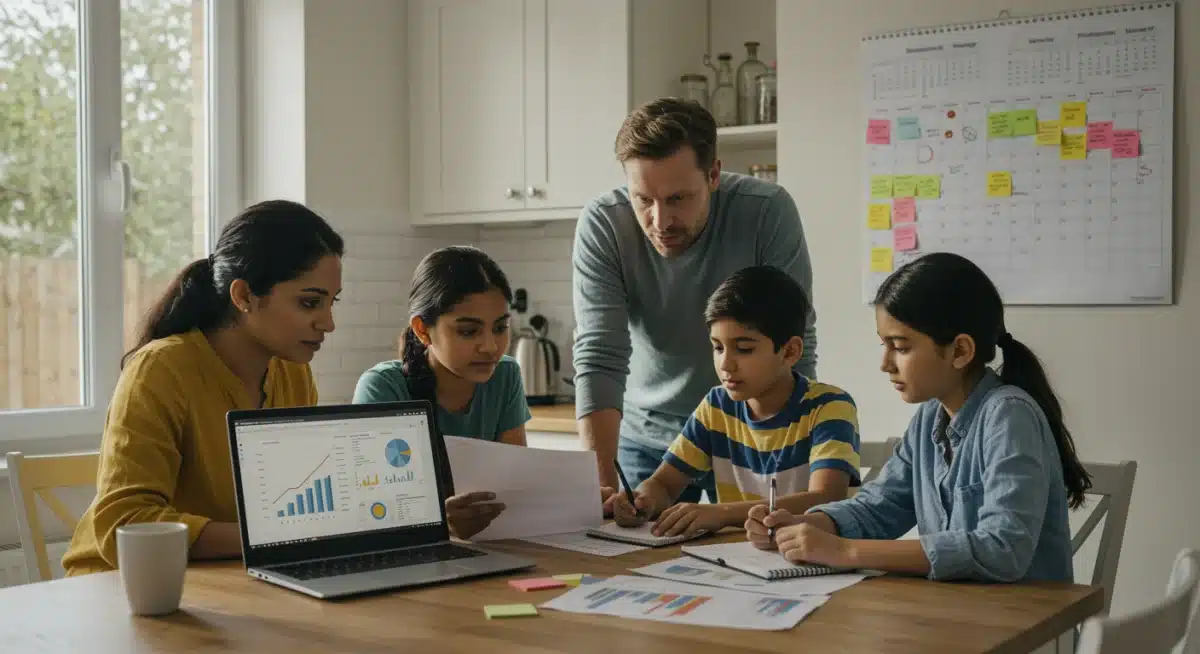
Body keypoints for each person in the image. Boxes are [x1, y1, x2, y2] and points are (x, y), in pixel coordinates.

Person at [746, 252, 1092, 583]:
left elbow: (1003, 550)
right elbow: (881, 506)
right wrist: (812, 525)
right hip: (956, 618)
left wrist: (847, 550)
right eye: (884, 344)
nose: (885, 363)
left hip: (1027, 629)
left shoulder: (1009, 414)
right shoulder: (931, 417)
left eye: (901, 346)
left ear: (960, 351)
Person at [62, 200, 344, 575]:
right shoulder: (161, 369)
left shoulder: (294, 374)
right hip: (121, 587)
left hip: (231, 580)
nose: (328, 323)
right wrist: (268, 540)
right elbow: (124, 526)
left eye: (331, 303)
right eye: (310, 303)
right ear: (243, 296)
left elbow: (291, 508)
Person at [573, 97, 818, 505]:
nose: (660, 221)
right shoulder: (603, 224)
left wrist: (787, 442)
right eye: (643, 200)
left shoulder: (767, 211)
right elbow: (600, 355)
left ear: (714, 174)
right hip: (647, 441)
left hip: (749, 434)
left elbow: (793, 339)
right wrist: (596, 492)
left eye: (678, 199)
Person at [608, 266, 859, 537]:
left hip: (813, 560)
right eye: (717, 347)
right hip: (735, 562)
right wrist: (642, 499)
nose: (725, 364)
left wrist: (721, 514)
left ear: (790, 351)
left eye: (744, 349)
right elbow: (664, 485)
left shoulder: (830, 406)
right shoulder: (717, 406)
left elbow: (826, 498)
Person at [353, 246, 530, 540]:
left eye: (500, 328)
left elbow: (514, 485)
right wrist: (442, 525)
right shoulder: (382, 388)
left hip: (490, 549)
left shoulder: (506, 374)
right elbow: (375, 511)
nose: (490, 347)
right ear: (423, 330)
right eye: (468, 331)